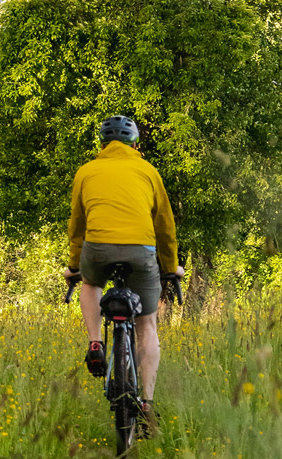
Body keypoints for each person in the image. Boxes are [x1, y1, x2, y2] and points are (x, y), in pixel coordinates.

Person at [64, 115, 184, 420]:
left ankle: (95, 342)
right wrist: (171, 267)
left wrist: (74, 266)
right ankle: (147, 403)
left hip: (97, 248)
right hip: (141, 251)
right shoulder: (148, 171)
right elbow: (165, 227)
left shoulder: (86, 171)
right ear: (137, 144)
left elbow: (77, 225)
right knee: (146, 324)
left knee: (90, 284)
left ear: (102, 145)